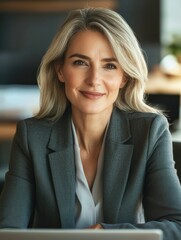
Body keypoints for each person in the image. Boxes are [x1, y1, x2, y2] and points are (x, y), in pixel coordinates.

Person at [0, 7, 181, 240]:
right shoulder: (31, 136)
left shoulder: (150, 131)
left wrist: (103, 233)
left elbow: (176, 226)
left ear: (124, 76)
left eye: (110, 65)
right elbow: (7, 231)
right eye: (80, 62)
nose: (94, 79)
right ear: (60, 70)